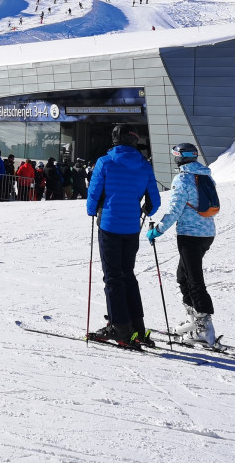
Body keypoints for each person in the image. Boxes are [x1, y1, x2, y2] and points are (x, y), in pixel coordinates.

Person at [86, 124, 161, 348]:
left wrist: (92, 210)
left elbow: (94, 194)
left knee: (113, 278)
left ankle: (120, 329)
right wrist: (144, 209)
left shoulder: (105, 162)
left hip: (109, 225)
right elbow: (154, 202)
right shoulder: (144, 165)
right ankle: (137, 328)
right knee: (127, 275)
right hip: (131, 229)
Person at [146, 143, 218, 346]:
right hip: (207, 233)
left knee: (194, 280)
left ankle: (204, 328)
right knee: (183, 276)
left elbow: (175, 210)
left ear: (179, 158)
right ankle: (193, 321)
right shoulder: (206, 176)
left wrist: (158, 230)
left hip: (190, 235)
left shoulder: (183, 179)